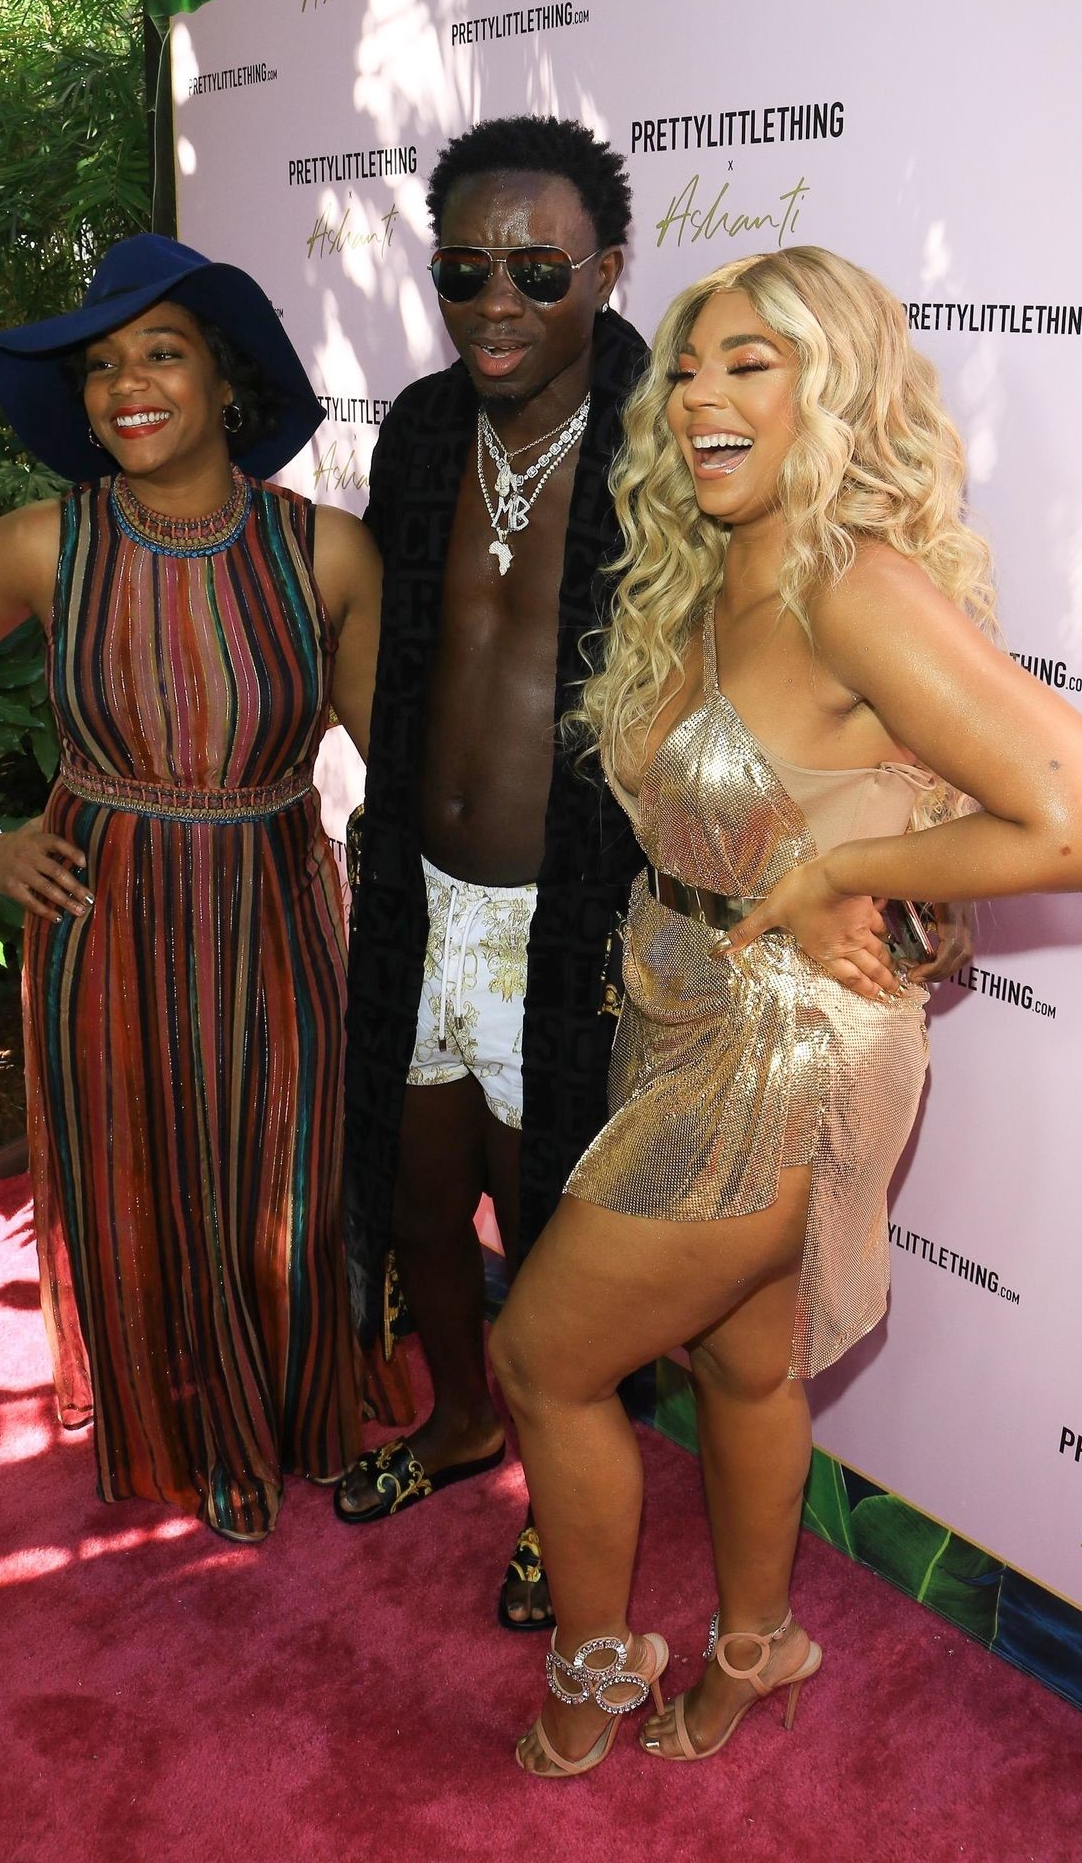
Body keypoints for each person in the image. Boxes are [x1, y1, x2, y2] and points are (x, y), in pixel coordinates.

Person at [488, 245, 1082, 1773]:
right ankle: (758, 1644)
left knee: (546, 1362)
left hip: (788, 1044)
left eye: (751, 364)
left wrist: (848, 869)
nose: (700, 395)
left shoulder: (856, 587)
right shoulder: (711, 569)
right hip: (683, 1001)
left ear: (833, 388)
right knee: (740, 1364)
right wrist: (822, 866)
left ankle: (590, 1671)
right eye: (690, 366)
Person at [0, 234, 407, 1541]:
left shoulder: (329, 554)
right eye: (102, 365)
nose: (127, 386)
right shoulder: (41, 546)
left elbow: (398, 759)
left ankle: (288, 1405)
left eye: (160, 354)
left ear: (226, 381)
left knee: (282, 1167)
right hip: (101, 915)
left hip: (277, 909)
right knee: (139, 1177)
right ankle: (192, 1429)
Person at [331, 116, 645, 1625]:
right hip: (418, 889)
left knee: (553, 1232)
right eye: (464, 270)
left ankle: (559, 1493)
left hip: (566, 916)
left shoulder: (664, 441)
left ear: (608, 270)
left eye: (536, 269)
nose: (496, 301)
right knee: (415, 1197)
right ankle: (462, 1423)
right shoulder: (419, 428)